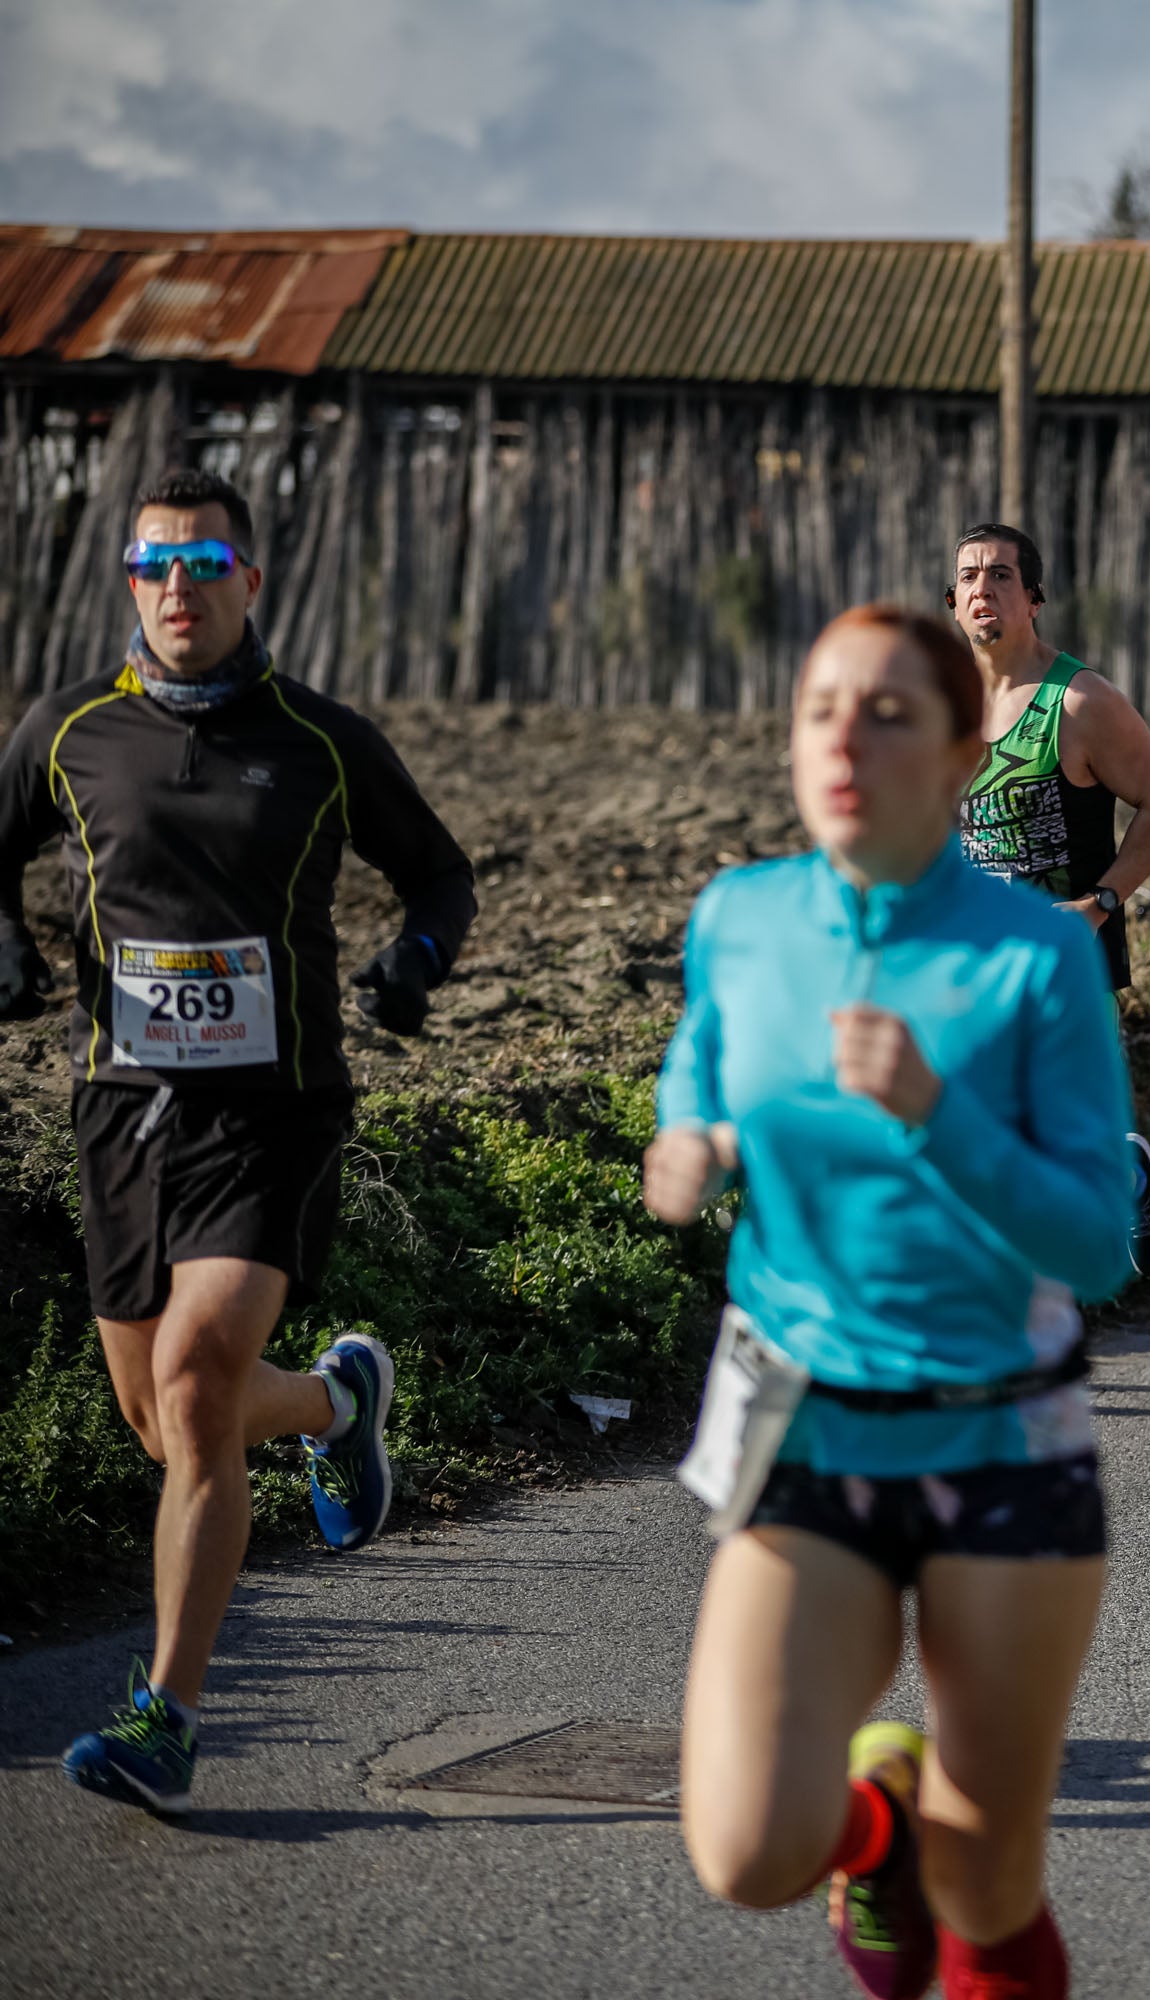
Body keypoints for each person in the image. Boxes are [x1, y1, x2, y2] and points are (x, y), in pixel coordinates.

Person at [653, 604, 1131, 2000]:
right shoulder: (741, 920)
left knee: (989, 1884)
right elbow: (706, 1053)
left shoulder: (1033, 954)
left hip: (1001, 1443)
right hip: (805, 1428)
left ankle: (940, 1860)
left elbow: (1099, 1242)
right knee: (745, 1853)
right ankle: (876, 1828)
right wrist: (690, 1130)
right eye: (819, 709)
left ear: (967, 753)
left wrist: (935, 1113)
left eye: (889, 713)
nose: (845, 739)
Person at [0, 469, 474, 1816]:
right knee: (161, 1425)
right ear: (129, 584)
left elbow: (437, 869)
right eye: (154, 566)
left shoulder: (320, 742)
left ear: (250, 583)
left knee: (202, 1381)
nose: (178, 588)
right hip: (122, 1114)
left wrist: (416, 958)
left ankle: (166, 1717)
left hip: (275, 1110)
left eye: (205, 563)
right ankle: (337, 1403)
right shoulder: (70, 730)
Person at [947, 524, 1150, 1282]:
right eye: (968, 578)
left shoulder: (1078, 701)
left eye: (1000, 577)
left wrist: (1099, 903)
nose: (983, 589)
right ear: (953, 602)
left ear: (1034, 599)